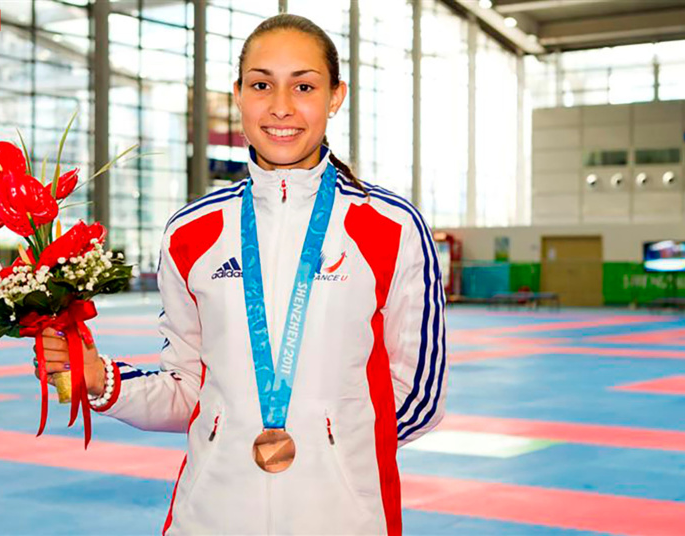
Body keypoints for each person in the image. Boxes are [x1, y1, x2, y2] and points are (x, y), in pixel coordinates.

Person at [35, 13, 447, 536]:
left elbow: (420, 394)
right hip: (211, 514)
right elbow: (190, 389)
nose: (280, 106)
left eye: (304, 85)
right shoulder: (191, 231)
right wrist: (102, 382)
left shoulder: (392, 227)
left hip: (342, 516)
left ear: (335, 96)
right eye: (261, 84)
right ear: (238, 95)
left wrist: (330, 447)